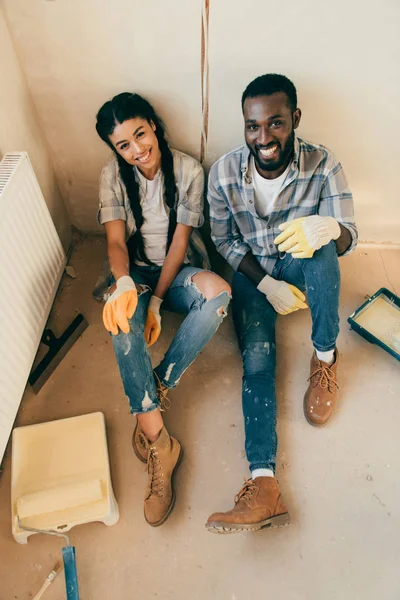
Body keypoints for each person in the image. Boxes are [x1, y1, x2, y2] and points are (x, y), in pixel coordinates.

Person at [206, 74, 357, 533]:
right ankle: (264, 485)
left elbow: (349, 235)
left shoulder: (324, 164)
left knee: (325, 245)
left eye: (275, 123)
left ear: (294, 119)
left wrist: (329, 229)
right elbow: (222, 238)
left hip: (297, 265)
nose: (264, 137)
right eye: (253, 126)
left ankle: (325, 356)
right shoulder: (225, 172)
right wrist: (264, 284)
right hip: (255, 277)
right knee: (257, 364)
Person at [95, 92, 231, 527]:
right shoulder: (111, 177)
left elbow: (179, 241)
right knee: (121, 326)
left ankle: (153, 389)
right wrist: (126, 287)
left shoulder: (189, 170)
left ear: (153, 124)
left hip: (177, 270)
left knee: (219, 294)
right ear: (115, 151)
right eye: (123, 145)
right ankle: (160, 442)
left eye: (139, 133)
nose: (136, 149)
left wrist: (157, 300)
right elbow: (115, 242)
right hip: (132, 273)